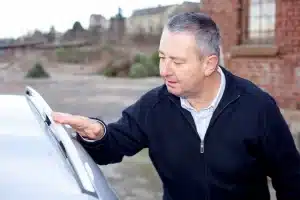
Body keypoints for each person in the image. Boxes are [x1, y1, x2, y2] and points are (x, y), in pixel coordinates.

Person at [52, 12, 300, 200]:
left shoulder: (257, 108)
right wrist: (97, 133)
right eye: (162, 57)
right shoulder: (155, 106)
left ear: (209, 64)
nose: (164, 70)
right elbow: (113, 145)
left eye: (177, 62)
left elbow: (291, 180)